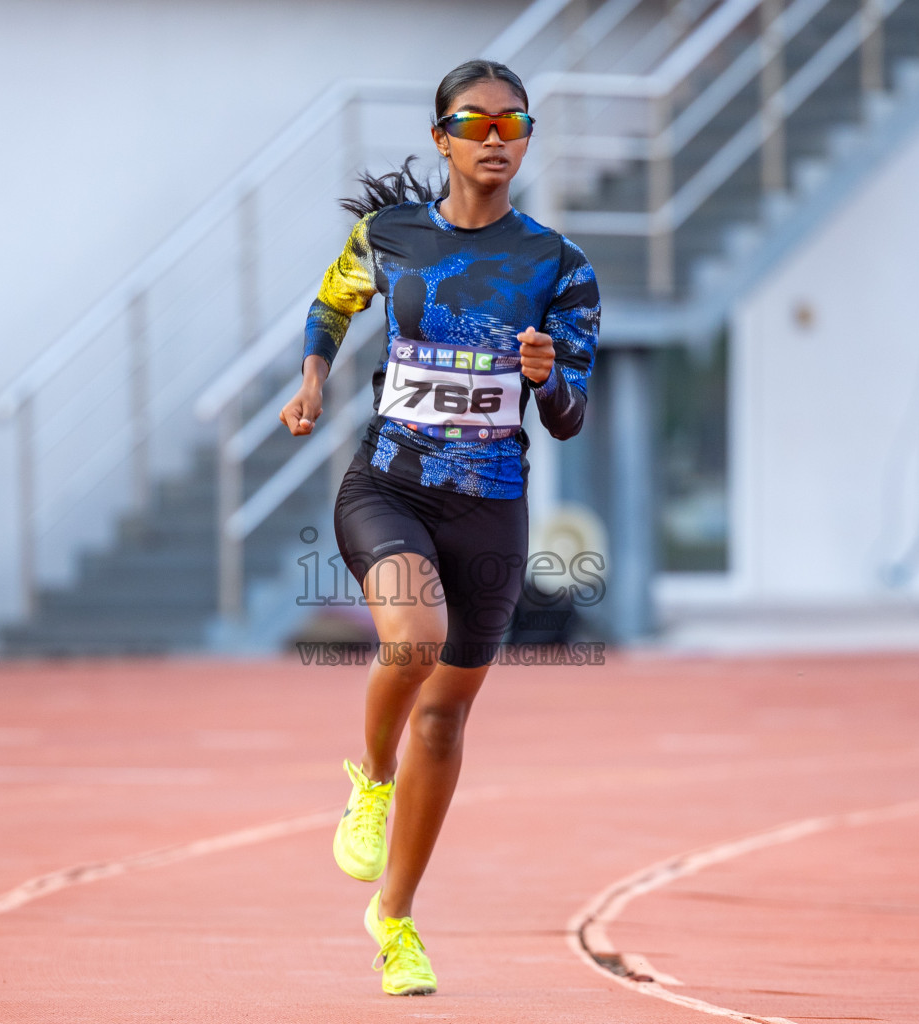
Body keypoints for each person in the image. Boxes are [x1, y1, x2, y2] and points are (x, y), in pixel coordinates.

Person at [279, 59, 600, 996]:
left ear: (529, 139)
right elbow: (332, 303)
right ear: (442, 137)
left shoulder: (560, 268)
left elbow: (572, 415)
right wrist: (310, 375)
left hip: (492, 510)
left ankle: (395, 919)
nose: (496, 139)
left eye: (515, 124)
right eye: (476, 122)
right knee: (412, 643)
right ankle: (369, 782)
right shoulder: (391, 237)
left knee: (449, 719)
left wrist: (548, 377)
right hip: (391, 487)